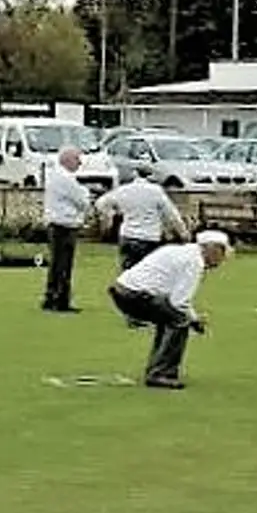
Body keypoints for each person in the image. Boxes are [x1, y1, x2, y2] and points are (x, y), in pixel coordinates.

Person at [108, 230, 231, 389]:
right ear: (213, 249)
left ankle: (157, 368)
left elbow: (172, 298)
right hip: (136, 295)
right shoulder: (194, 262)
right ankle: (161, 374)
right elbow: (179, 302)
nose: (221, 261)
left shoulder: (178, 250)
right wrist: (194, 320)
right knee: (179, 321)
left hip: (122, 290)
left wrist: (192, 318)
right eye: (221, 254)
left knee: (168, 318)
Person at [95, 166, 189, 270]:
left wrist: (110, 215)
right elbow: (171, 215)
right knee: (147, 273)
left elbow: (100, 203)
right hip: (150, 237)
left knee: (127, 273)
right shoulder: (156, 191)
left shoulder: (124, 190)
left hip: (128, 236)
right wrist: (183, 233)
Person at [40, 147, 94, 313]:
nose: (80, 162)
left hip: (57, 224)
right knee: (63, 264)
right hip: (64, 225)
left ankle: (51, 297)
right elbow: (82, 201)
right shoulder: (66, 179)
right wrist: (87, 196)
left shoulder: (56, 176)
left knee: (57, 263)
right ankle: (60, 300)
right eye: (77, 159)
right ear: (67, 160)